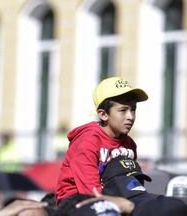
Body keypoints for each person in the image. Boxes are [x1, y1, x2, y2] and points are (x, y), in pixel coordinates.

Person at [55, 76, 148, 205]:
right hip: (76, 202)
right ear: (103, 114)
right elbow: (91, 192)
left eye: (133, 110)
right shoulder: (87, 142)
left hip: (115, 199)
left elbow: (132, 185)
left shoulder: (130, 144)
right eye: (123, 110)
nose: (130, 116)